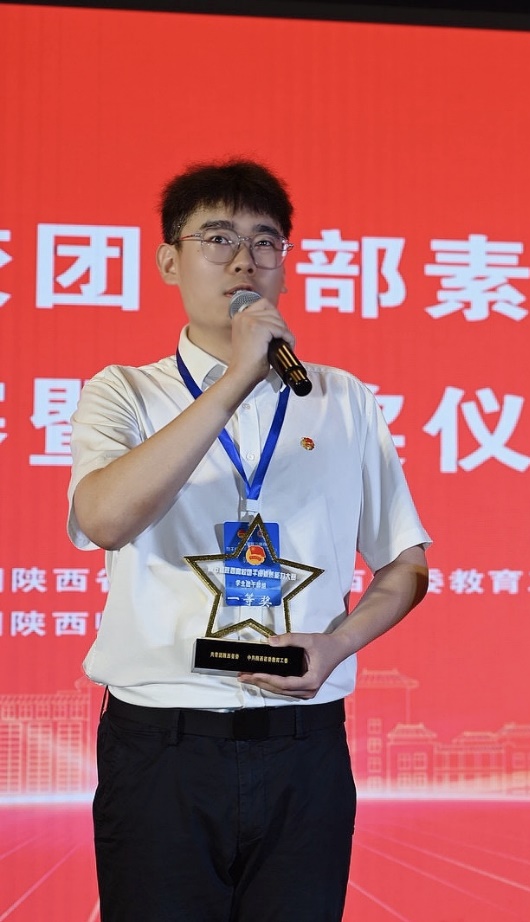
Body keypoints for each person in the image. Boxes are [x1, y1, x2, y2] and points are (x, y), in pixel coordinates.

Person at [67, 158, 431, 921]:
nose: (244, 260)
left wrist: (336, 645)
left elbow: (405, 564)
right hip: (163, 746)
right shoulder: (123, 391)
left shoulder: (340, 398)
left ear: (284, 266)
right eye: (219, 238)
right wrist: (235, 377)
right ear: (169, 261)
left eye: (266, 242)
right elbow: (105, 519)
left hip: (304, 745)